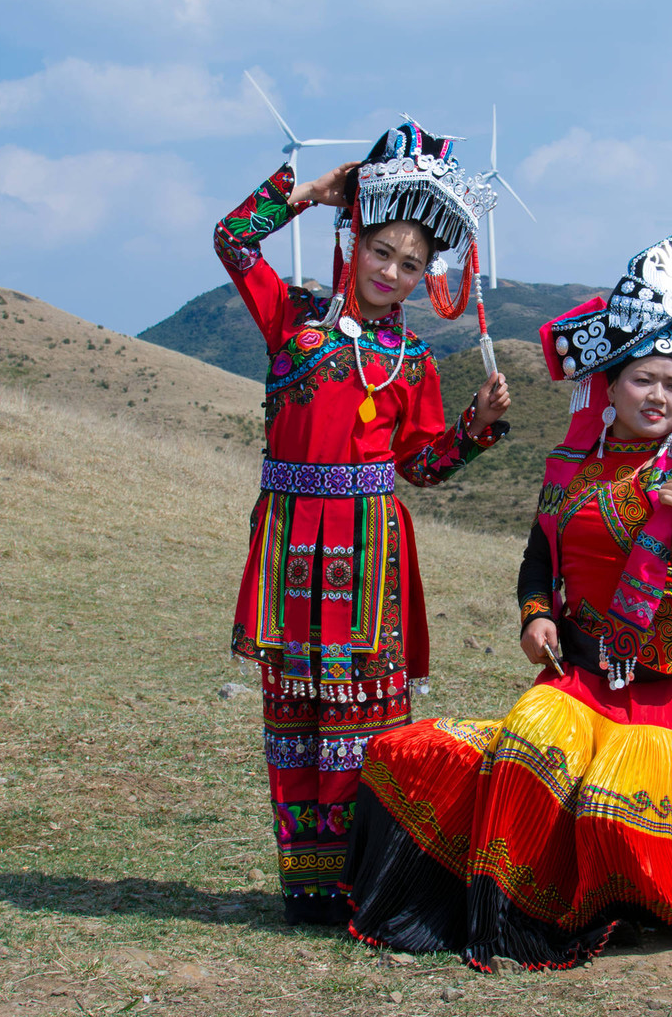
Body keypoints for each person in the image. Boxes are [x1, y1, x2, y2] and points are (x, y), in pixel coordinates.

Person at [346, 235, 672, 970]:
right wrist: (537, 618)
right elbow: (538, 561)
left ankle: (612, 895)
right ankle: (513, 905)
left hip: (668, 693)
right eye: (645, 380)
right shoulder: (568, 469)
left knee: (607, 793)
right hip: (580, 676)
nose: (658, 397)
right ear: (611, 386)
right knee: (523, 747)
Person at [214, 119, 513, 925]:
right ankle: (305, 884)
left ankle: (359, 880)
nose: (392, 271)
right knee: (293, 710)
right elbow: (233, 241)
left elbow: (421, 466)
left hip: (370, 550)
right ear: (355, 236)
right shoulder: (293, 317)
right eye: (382, 251)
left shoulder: (413, 362)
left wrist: (475, 429)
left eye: (411, 264)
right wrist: (309, 191)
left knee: (361, 714)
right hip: (290, 542)